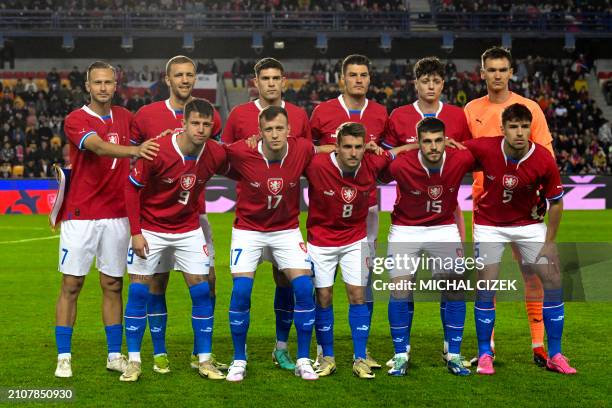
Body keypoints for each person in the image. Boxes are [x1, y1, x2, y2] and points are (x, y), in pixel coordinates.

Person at [53, 61, 159, 378]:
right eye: (97, 82)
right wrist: (135, 150)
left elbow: (153, 141)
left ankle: (114, 355)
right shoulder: (76, 119)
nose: (103, 88)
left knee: (113, 284)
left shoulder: (127, 118)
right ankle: (63, 357)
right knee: (71, 285)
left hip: (117, 215)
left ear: (116, 85)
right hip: (81, 215)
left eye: (108, 83)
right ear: (87, 86)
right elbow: (97, 147)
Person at [464, 103, 575, 375]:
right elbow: (451, 150)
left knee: (553, 279)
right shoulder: (484, 147)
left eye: (524, 126)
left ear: (530, 129)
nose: (519, 132)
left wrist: (549, 242)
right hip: (489, 224)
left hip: (528, 224)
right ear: (502, 129)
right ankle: (484, 354)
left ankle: (556, 353)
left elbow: (557, 203)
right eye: (513, 127)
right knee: (486, 285)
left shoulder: (543, 159)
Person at [121, 99, 227, 382]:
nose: (201, 129)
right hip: (152, 229)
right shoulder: (157, 150)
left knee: (202, 292)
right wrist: (136, 232)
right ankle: (133, 361)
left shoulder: (215, 153)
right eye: (195, 123)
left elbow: (240, 157)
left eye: (207, 125)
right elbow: (131, 191)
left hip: (189, 230)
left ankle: (204, 360)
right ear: (183, 123)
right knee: (139, 293)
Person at [464, 46, 554, 366]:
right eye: (492, 69)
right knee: (488, 280)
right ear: (483, 72)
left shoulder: (529, 108)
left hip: (525, 211)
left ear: (511, 72)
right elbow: (462, 156)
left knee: (533, 276)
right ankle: (487, 347)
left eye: (503, 69)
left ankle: (538, 345)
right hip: (486, 208)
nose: (498, 75)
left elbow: (546, 157)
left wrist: (543, 197)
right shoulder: (471, 109)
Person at [221, 57, 313, 371]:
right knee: (243, 288)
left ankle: (282, 347)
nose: (271, 83)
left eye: (277, 78)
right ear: (256, 82)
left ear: (283, 82)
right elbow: (224, 157)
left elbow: (308, 157)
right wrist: (253, 175)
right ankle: (239, 356)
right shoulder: (239, 114)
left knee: (287, 281)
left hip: (285, 220)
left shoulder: (299, 115)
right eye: (266, 78)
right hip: (250, 219)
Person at [310, 54, 388, 369]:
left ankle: (362, 351)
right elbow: (306, 150)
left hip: (365, 208)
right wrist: (322, 149)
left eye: (363, 74)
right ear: (343, 78)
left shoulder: (382, 113)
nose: (358, 79)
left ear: (370, 79)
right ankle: (323, 351)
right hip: (329, 209)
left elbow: (388, 153)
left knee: (362, 284)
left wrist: (380, 152)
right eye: (352, 74)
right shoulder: (323, 111)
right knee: (323, 292)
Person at [380, 117, 474, 377]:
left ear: (446, 140)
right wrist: (400, 149)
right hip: (405, 228)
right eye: (427, 142)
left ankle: (453, 353)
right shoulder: (401, 165)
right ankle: (400, 354)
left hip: (443, 227)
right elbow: (375, 168)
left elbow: (489, 155)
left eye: (438, 141)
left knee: (455, 287)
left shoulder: (461, 159)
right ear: (418, 143)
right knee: (400, 288)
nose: (433, 147)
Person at [306, 122, 397, 379]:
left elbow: (399, 152)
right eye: (347, 146)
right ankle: (327, 356)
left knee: (358, 295)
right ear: (336, 147)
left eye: (358, 147)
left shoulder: (372, 162)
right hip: (321, 241)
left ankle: (360, 358)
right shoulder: (317, 165)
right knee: (323, 297)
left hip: (354, 240)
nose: (353, 152)